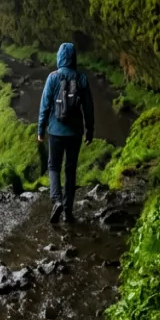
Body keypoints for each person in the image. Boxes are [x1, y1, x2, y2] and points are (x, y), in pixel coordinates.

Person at [37, 42, 94, 224]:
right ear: (74, 58)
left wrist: (41, 130)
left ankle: (56, 200)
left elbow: (44, 106)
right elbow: (89, 108)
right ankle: (69, 212)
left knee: (53, 166)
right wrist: (89, 131)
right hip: (75, 134)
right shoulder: (82, 79)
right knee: (70, 170)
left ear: (59, 57)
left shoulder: (53, 78)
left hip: (55, 132)